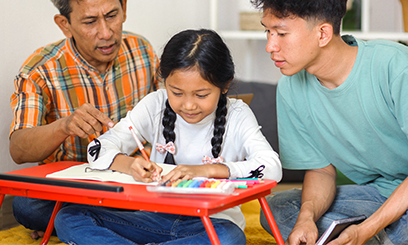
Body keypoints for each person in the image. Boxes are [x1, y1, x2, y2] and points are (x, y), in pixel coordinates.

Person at [248, 0, 408, 245]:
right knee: (278, 210)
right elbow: (321, 169)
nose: (271, 45)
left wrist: (366, 230)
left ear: (322, 33)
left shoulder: (396, 66)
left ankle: (371, 237)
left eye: (281, 34)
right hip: (379, 193)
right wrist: (307, 218)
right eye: (267, 32)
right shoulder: (291, 88)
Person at [53, 28, 283, 245]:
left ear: (225, 86)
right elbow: (97, 149)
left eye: (201, 94)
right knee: (69, 216)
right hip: (153, 218)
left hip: (212, 223)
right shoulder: (155, 104)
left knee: (230, 238)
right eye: (177, 93)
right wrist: (130, 164)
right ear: (164, 83)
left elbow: (272, 167)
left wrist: (208, 170)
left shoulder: (238, 114)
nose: (189, 105)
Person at [9, 0, 159, 239]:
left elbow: (173, 110)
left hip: (135, 179)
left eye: (112, 15)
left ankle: (84, 224)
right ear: (64, 24)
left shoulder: (142, 51)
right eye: (90, 21)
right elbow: (18, 149)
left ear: (124, 7)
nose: (106, 33)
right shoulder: (40, 71)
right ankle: (125, 222)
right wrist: (64, 126)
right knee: (26, 205)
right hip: (76, 189)